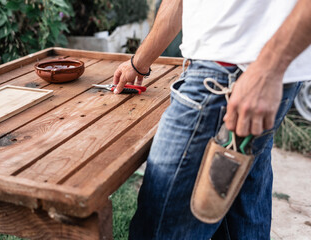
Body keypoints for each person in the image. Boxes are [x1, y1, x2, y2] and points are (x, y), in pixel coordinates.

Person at [113, 0, 311, 239]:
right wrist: (139, 62)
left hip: (230, 77)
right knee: (241, 220)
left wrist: (267, 69)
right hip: (243, 72)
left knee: (160, 228)